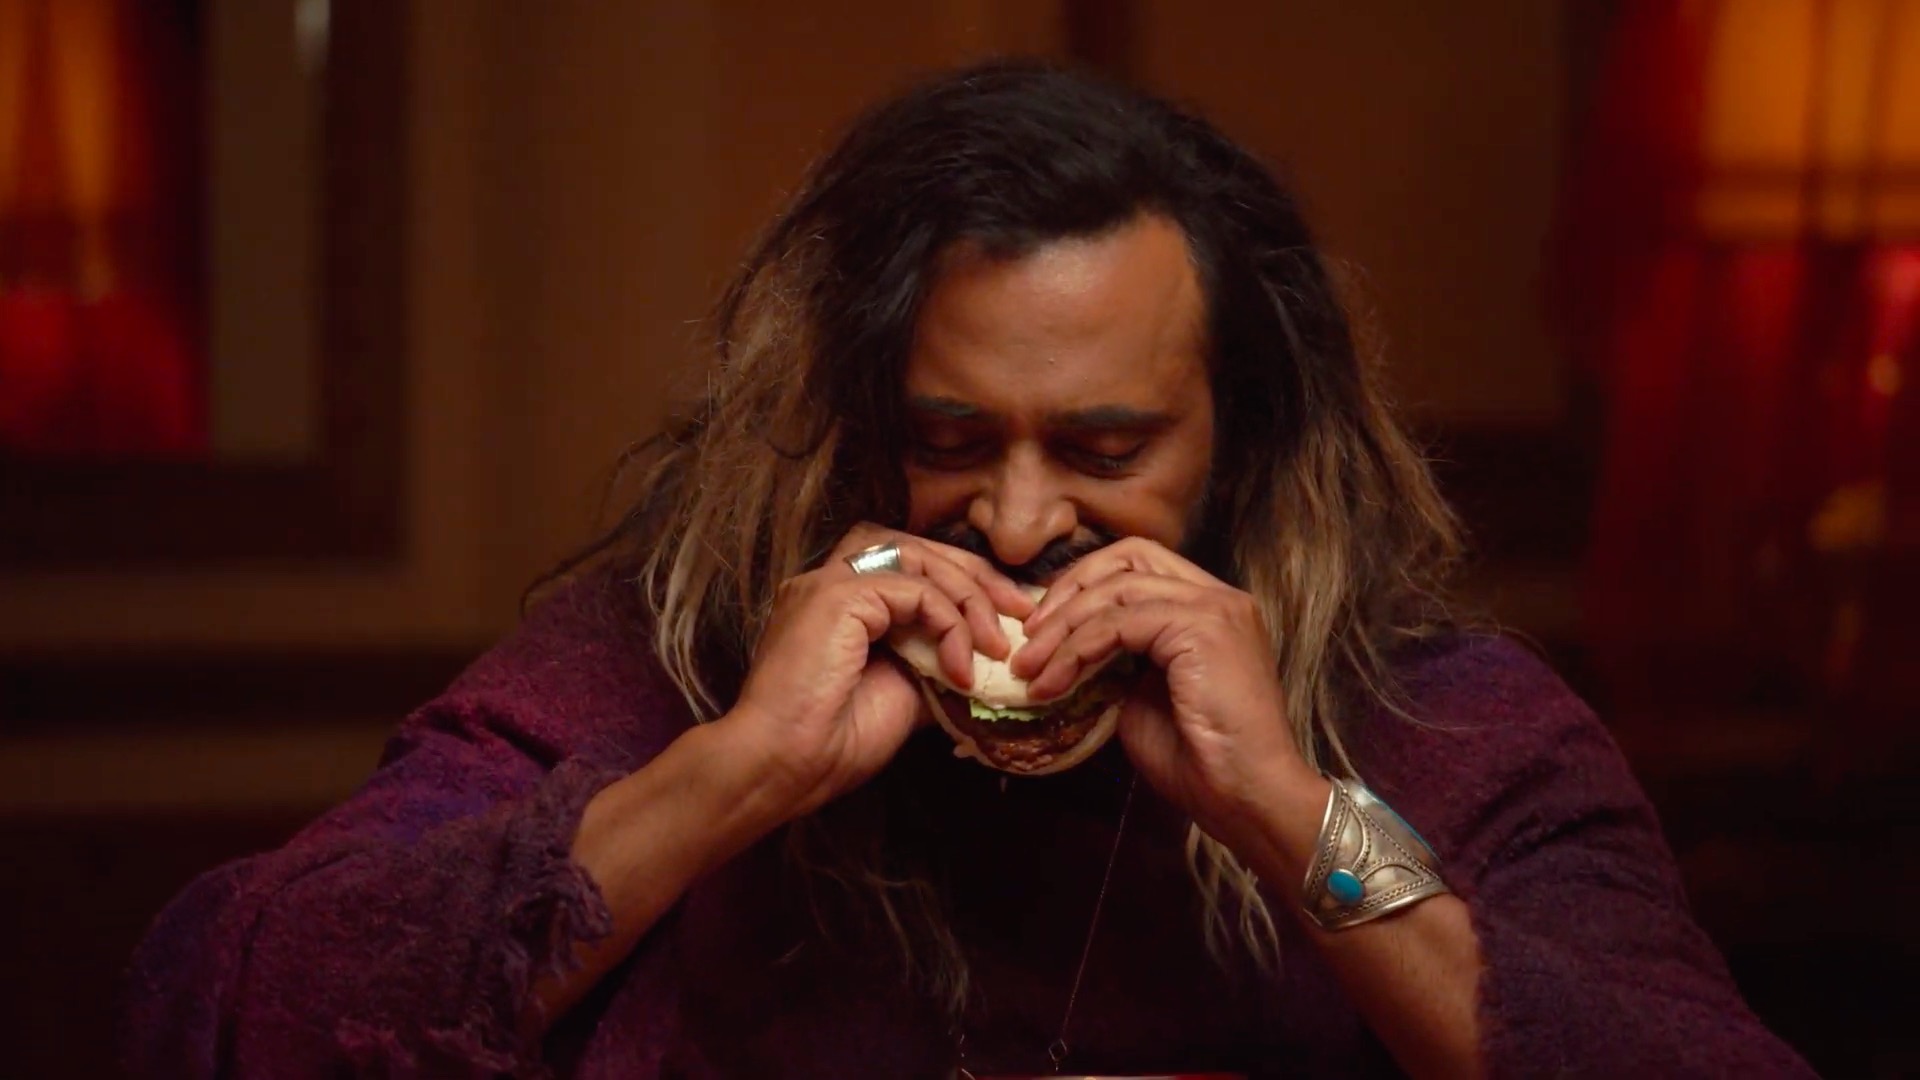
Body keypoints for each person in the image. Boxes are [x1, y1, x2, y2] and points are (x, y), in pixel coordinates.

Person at [122, 62, 1813, 1078]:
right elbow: (224, 1009)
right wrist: (734, 773)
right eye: (953, 440)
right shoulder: (662, 659)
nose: (1012, 523)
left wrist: (1295, 815)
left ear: (1241, 443)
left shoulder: (1446, 721)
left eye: (1103, 449)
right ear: (861, 426)